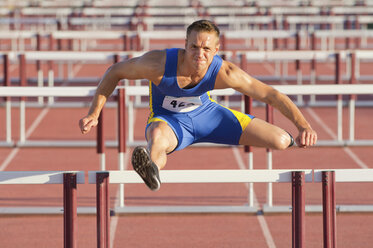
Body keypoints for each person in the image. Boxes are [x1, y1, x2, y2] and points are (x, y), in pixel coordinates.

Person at [79, 20, 317, 191]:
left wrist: (303, 126)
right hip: (169, 121)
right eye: (194, 47)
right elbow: (115, 72)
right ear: (185, 45)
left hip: (210, 117)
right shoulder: (159, 64)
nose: (199, 54)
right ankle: (151, 170)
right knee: (157, 141)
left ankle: (293, 140)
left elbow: (271, 94)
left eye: (206, 49)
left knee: (280, 141)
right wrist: (94, 113)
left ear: (216, 50)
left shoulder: (225, 72)